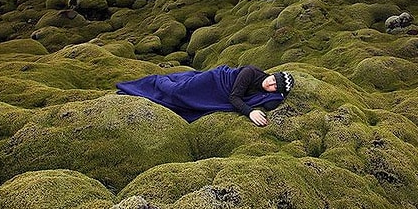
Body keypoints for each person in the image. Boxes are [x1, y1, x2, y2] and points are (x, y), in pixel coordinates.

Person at [116, 65, 294, 126]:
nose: (270, 85)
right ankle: (155, 82)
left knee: (187, 107)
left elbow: (273, 102)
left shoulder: (270, 92)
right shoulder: (251, 72)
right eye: (272, 80)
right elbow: (234, 97)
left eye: (275, 87)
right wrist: (250, 112)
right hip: (214, 81)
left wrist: (279, 93)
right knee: (177, 91)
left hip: (219, 94)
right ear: (271, 74)